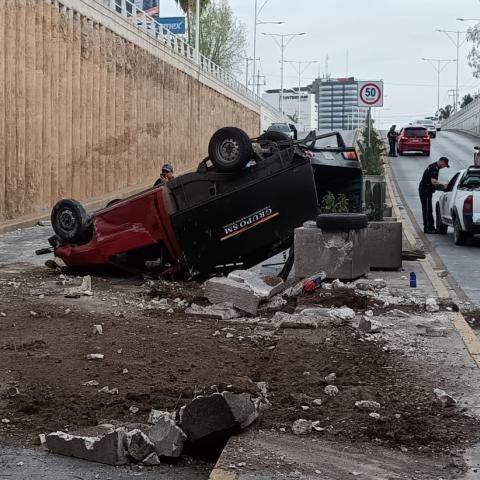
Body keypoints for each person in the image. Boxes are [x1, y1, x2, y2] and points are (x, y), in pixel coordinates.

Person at [418, 156, 449, 234]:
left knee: (429, 209)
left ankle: (431, 227)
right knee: (427, 210)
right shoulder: (434, 168)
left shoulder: (435, 167)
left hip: (427, 190)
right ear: (441, 162)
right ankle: (427, 228)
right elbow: (433, 182)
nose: (444, 167)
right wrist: (444, 185)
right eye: (445, 165)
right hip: (425, 191)